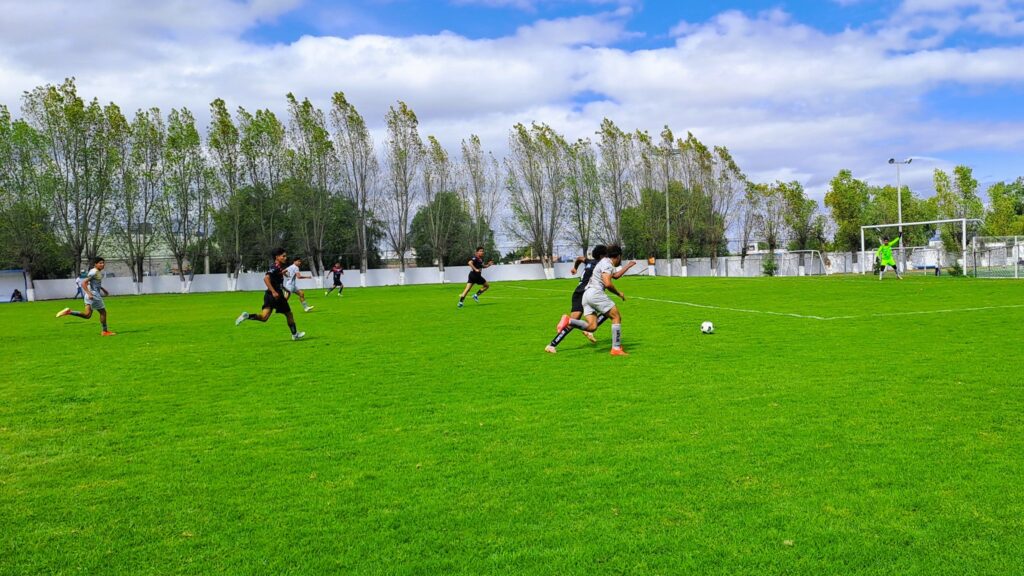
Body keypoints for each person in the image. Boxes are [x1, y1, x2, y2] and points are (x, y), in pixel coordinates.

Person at [545, 245, 635, 354]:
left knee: (592, 326)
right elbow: (609, 281)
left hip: (584, 294)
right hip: (594, 293)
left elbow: (580, 259)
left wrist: (575, 268)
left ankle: (567, 323)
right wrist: (618, 293)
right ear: (617, 256)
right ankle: (616, 349)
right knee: (616, 316)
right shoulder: (606, 263)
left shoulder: (597, 261)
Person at [235, 247, 305, 341]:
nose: (285, 258)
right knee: (289, 314)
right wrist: (274, 291)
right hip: (276, 296)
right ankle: (295, 335)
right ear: (277, 257)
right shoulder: (274, 268)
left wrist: (285, 289)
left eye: (285, 256)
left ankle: (247, 316)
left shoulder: (279, 268)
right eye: (283, 256)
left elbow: (275, 282)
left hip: (268, 296)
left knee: (264, 317)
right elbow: (266, 278)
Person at [56, 257, 115, 336]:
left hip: (89, 295)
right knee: (103, 312)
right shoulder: (94, 272)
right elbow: (83, 283)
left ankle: (69, 312)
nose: (102, 264)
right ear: (95, 264)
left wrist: (103, 290)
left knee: (87, 315)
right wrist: (90, 293)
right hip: (93, 295)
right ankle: (104, 331)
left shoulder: (95, 272)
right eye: (100, 263)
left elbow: (93, 283)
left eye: (103, 263)